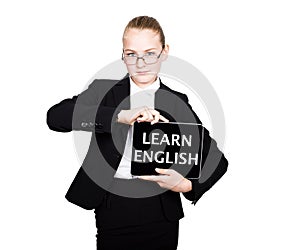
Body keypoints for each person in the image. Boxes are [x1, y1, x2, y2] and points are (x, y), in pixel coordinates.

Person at [46, 16, 228, 250]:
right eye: (131, 54)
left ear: (164, 52)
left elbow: (217, 161)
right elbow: (56, 117)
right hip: (112, 208)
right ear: (123, 55)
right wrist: (117, 116)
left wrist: (188, 186)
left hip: (161, 212)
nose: (141, 63)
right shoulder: (104, 91)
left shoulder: (177, 103)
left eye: (150, 53)